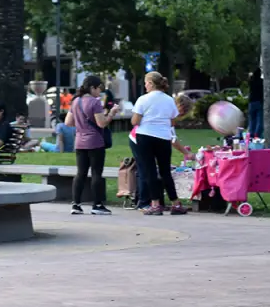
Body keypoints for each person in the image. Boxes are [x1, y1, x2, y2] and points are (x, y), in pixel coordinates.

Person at [132, 72, 187, 215]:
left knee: (150, 171)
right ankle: (176, 203)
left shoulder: (143, 99)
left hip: (145, 136)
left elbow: (135, 121)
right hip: (163, 137)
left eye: (146, 83)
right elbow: (172, 121)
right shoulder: (169, 100)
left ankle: (155, 204)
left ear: (151, 83)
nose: (145, 85)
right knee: (165, 171)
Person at [66, 75, 119, 215]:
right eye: (99, 89)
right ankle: (97, 205)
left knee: (80, 173)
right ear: (92, 88)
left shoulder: (75, 101)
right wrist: (111, 113)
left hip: (79, 142)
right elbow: (102, 123)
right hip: (95, 142)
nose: (100, 92)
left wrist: (81, 124)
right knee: (96, 173)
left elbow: (68, 122)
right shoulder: (95, 102)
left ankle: (76, 204)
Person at [248, 67, 264, 138]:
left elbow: (249, 76)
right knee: (259, 120)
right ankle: (257, 135)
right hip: (259, 102)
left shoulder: (251, 81)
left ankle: (251, 134)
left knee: (252, 120)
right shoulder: (261, 82)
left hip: (251, 102)